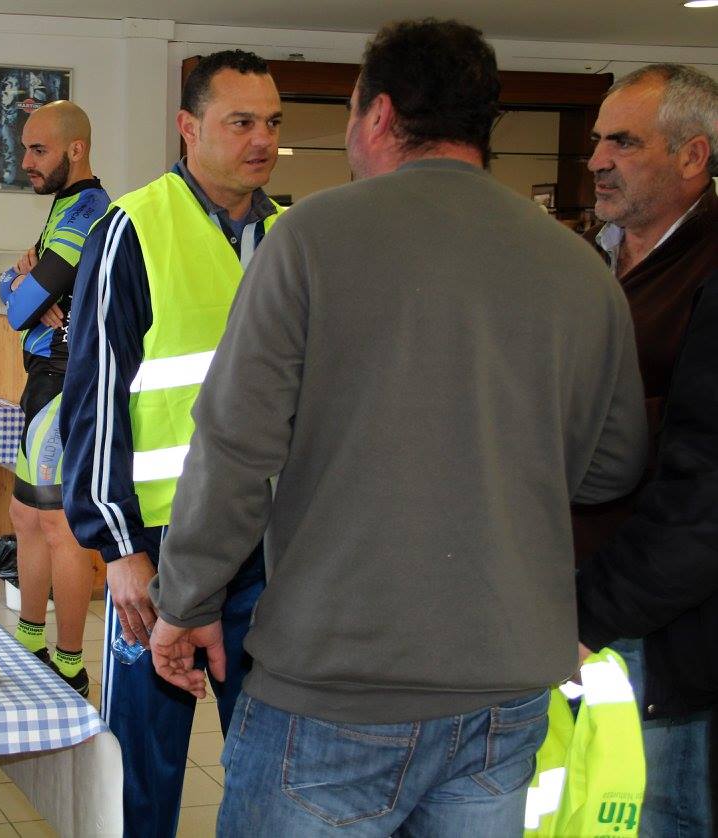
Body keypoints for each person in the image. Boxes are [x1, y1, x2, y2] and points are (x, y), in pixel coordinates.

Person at [145, 20, 649, 836]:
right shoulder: (579, 266)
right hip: (505, 689)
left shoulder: (309, 238)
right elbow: (612, 466)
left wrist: (185, 600)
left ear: (377, 114)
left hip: (338, 683)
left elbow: (235, 450)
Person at [60, 50, 283, 837]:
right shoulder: (132, 230)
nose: (263, 140)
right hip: (158, 547)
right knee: (142, 770)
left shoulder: (291, 236)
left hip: (270, 549)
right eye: (241, 121)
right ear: (189, 127)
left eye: (272, 122)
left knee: (269, 760)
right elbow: (93, 401)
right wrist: (120, 550)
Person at [572, 63, 718, 837]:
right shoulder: (580, 262)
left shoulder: (708, 272)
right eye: (598, 141)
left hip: (658, 648)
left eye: (623, 142)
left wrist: (590, 615)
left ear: (693, 156)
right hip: (572, 621)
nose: (597, 160)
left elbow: (704, 499)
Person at [0, 100, 110, 695]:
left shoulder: (86, 210)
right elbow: (16, 292)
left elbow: (19, 307)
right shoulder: (65, 204)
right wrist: (20, 284)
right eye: (25, 149)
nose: (26, 162)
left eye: (38, 150)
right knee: (25, 515)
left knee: (59, 524)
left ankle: (69, 664)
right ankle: (29, 640)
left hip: (66, 381)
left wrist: (22, 285)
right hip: (43, 378)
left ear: (76, 149)